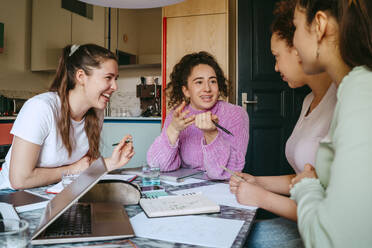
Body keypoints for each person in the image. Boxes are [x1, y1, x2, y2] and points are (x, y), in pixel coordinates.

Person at [229, 0, 336, 246]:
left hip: (317, 230)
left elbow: (333, 213)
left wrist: (262, 197)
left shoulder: (341, 100)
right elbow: (303, 177)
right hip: (299, 219)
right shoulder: (309, 99)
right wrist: (257, 181)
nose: (275, 67)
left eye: (277, 56)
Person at [288, 0, 372, 246]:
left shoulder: (361, 90)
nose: (293, 42)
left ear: (320, 25)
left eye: (295, 27)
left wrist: (306, 186)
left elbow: (332, 240)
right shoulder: (352, 89)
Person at [0, 44, 134, 190]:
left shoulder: (95, 113)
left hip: (54, 193)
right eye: (108, 78)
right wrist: (72, 169)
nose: (115, 86)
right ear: (81, 76)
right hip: (11, 196)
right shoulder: (41, 108)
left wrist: (112, 162)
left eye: (116, 79)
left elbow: (84, 166)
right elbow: (19, 180)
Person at [147, 51, 249, 179]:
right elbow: (158, 166)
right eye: (199, 82)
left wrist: (211, 135)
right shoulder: (178, 115)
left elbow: (227, 172)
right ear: (186, 90)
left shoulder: (236, 114)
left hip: (223, 189)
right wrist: (173, 130)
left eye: (212, 81)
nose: (207, 88)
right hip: (187, 189)